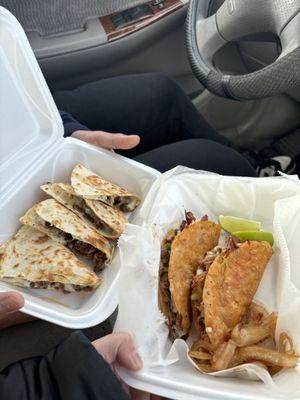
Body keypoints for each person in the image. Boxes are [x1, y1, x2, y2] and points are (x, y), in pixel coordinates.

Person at [0, 73, 293, 399]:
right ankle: (255, 173)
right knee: (212, 161)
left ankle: (254, 169)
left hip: (15, 149)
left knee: (162, 94)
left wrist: (62, 133)